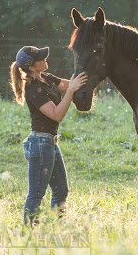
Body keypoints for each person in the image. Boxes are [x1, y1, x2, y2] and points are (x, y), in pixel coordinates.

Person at [9, 45, 87, 226]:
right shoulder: (32, 88)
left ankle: (57, 229)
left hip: (50, 143)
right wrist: (70, 91)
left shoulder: (47, 78)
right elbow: (57, 114)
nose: (46, 59)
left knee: (61, 191)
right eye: (41, 58)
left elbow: (70, 84)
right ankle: (29, 232)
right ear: (31, 66)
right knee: (36, 193)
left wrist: (87, 70)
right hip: (40, 144)